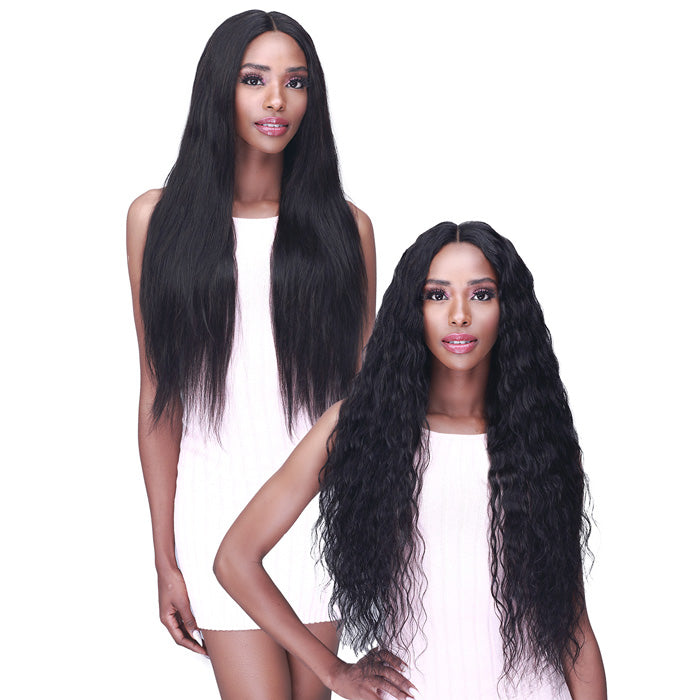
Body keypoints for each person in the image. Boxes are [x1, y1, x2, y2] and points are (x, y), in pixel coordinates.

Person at [213, 221, 607, 700]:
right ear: (413, 309)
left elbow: (573, 625)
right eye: (437, 295)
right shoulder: (355, 428)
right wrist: (333, 671)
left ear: (508, 309)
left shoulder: (540, 442)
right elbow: (235, 559)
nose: (459, 315)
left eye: (481, 295)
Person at [126, 10, 375, 700]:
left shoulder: (347, 229)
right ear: (220, 89)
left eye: (295, 82)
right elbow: (158, 397)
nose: (276, 100)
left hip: (318, 516)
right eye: (253, 79)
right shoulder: (156, 220)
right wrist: (165, 557)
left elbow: (363, 403)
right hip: (215, 513)